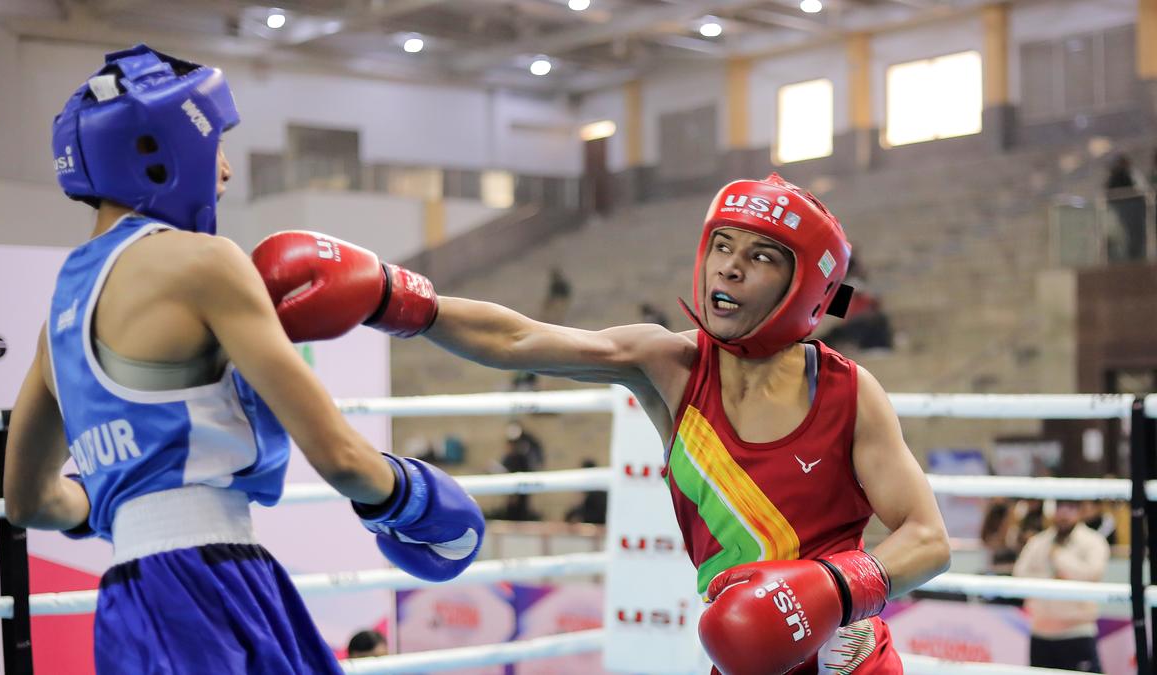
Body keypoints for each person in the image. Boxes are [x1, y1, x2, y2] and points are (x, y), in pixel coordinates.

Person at [253, 173, 951, 674]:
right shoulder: (670, 362)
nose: (730, 268)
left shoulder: (849, 392)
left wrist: (833, 589)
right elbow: (519, 340)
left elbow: (927, 537)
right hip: (743, 654)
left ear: (808, 287)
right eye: (723, 245)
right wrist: (392, 296)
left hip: (849, 657)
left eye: (762, 256)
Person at [2, 45, 483, 674]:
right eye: (215, 146)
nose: (223, 171)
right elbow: (341, 459)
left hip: (125, 602)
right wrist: (415, 499)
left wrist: (120, 498)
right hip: (216, 582)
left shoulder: (57, 316)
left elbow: (29, 502)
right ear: (160, 150)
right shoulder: (205, 261)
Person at [1013, 500, 1110, 672]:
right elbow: (1019, 575)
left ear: (1081, 511)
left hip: (1077, 633)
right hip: (1040, 633)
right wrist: (1053, 579)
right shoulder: (1038, 542)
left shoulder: (1093, 541)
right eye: (1059, 507)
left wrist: (1059, 556)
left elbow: (1092, 574)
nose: (1064, 513)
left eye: (1071, 507)